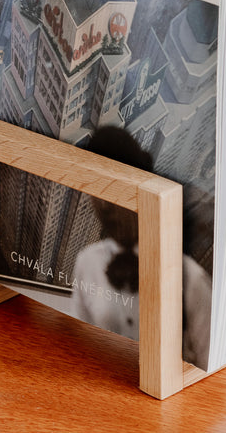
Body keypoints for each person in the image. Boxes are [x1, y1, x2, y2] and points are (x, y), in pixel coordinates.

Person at [71, 126, 212, 369]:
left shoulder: (189, 278)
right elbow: (78, 344)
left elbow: (209, 363)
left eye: (112, 188)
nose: (104, 205)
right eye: (95, 189)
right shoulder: (86, 262)